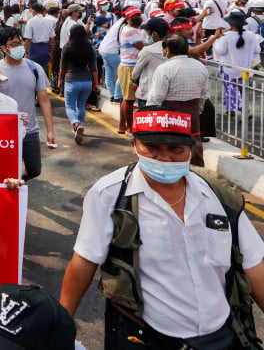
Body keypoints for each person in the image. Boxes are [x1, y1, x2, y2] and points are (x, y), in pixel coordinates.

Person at [60, 106, 264, 349]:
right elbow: (84, 262)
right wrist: (60, 327)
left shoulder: (220, 197)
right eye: (153, 148)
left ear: (192, 148)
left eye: (175, 150)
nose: (164, 158)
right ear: (134, 145)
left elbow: (254, 266)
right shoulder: (110, 196)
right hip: (145, 337)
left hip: (220, 336)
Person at [0, 27, 55, 180]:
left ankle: (16, 183)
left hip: (30, 130)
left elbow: (44, 100)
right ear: (4, 48)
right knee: (4, 170)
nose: (18, 47)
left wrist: (50, 131)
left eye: (20, 42)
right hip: (4, 132)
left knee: (35, 170)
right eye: (13, 44)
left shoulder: (35, 68)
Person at [146, 35, 210, 168]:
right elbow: (204, 94)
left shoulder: (164, 68)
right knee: (193, 141)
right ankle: (195, 169)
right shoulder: (200, 66)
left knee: (170, 144)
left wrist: (150, 114)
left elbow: (156, 96)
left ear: (167, 50)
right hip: (192, 111)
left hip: (169, 113)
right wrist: (198, 110)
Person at [214, 11, 264, 115]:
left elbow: (221, 51)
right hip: (245, 70)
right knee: (242, 91)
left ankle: (243, 109)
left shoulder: (226, 36)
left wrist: (215, 42)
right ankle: (231, 110)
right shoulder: (251, 35)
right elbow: (257, 50)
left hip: (229, 69)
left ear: (231, 24)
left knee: (230, 90)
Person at [58, 24, 99, 145]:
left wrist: (60, 79)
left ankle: (75, 123)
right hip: (87, 82)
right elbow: (94, 69)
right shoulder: (89, 48)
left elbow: (62, 67)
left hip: (71, 81)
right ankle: (80, 125)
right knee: (81, 105)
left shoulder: (67, 47)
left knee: (70, 106)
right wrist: (95, 84)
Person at [116, 7, 145, 135]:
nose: (138, 18)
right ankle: (129, 127)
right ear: (127, 18)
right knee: (129, 99)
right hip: (129, 67)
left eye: (139, 15)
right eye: (134, 16)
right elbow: (142, 47)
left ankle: (122, 126)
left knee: (127, 99)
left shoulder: (135, 30)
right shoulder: (129, 31)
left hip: (131, 65)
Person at [131, 17, 170, 110]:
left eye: (148, 32)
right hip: (167, 94)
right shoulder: (173, 48)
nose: (147, 35)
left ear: (154, 34)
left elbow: (135, 74)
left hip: (147, 93)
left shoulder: (147, 51)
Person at [23, 3, 55, 71]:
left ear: (33, 11)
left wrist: (25, 52)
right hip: (45, 48)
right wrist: (51, 52)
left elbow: (28, 39)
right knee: (43, 70)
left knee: (33, 70)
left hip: (34, 48)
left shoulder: (31, 22)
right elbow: (52, 39)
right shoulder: (49, 21)